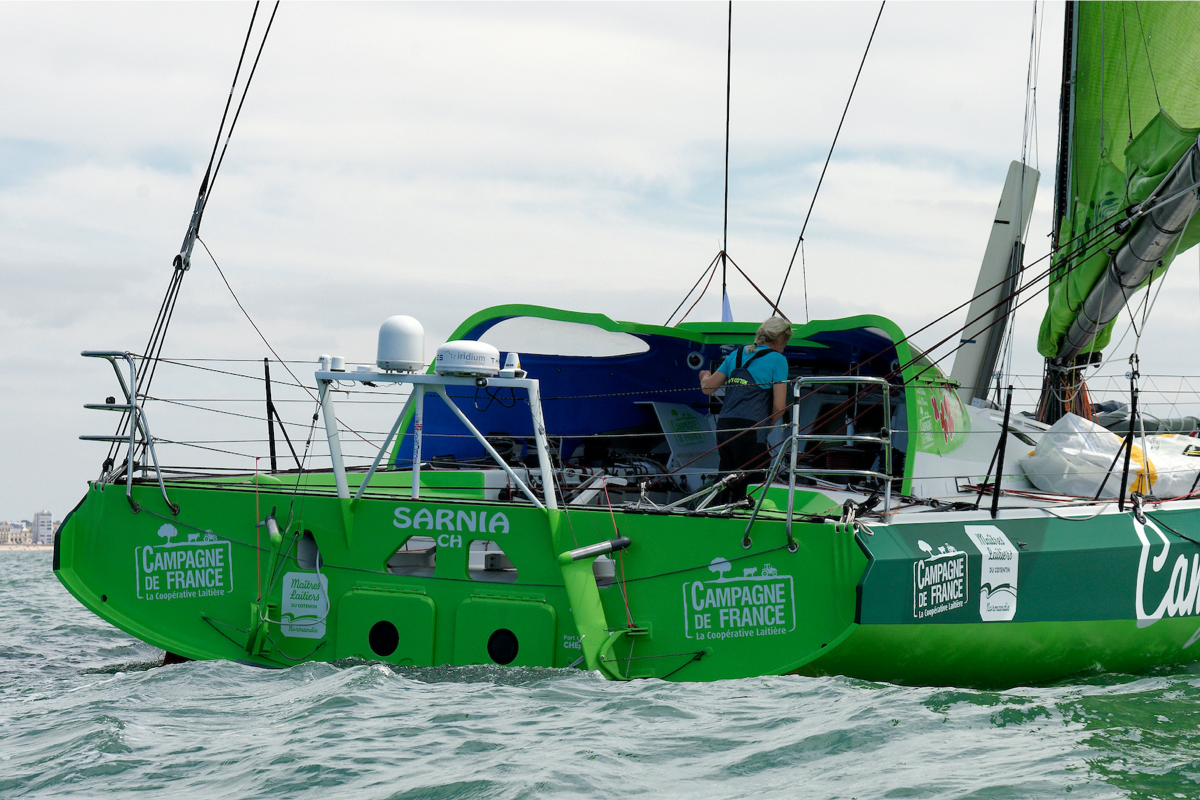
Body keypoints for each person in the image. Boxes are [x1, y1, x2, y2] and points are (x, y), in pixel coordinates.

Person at [699, 317, 792, 501]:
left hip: (725, 426)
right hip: (751, 428)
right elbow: (779, 406)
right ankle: (745, 521)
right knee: (752, 486)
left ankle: (718, 515)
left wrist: (705, 375)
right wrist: (769, 425)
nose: (785, 346)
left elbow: (707, 388)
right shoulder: (778, 359)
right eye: (786, 342)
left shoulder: (736, 354)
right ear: (780, 339)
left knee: (725, 478)